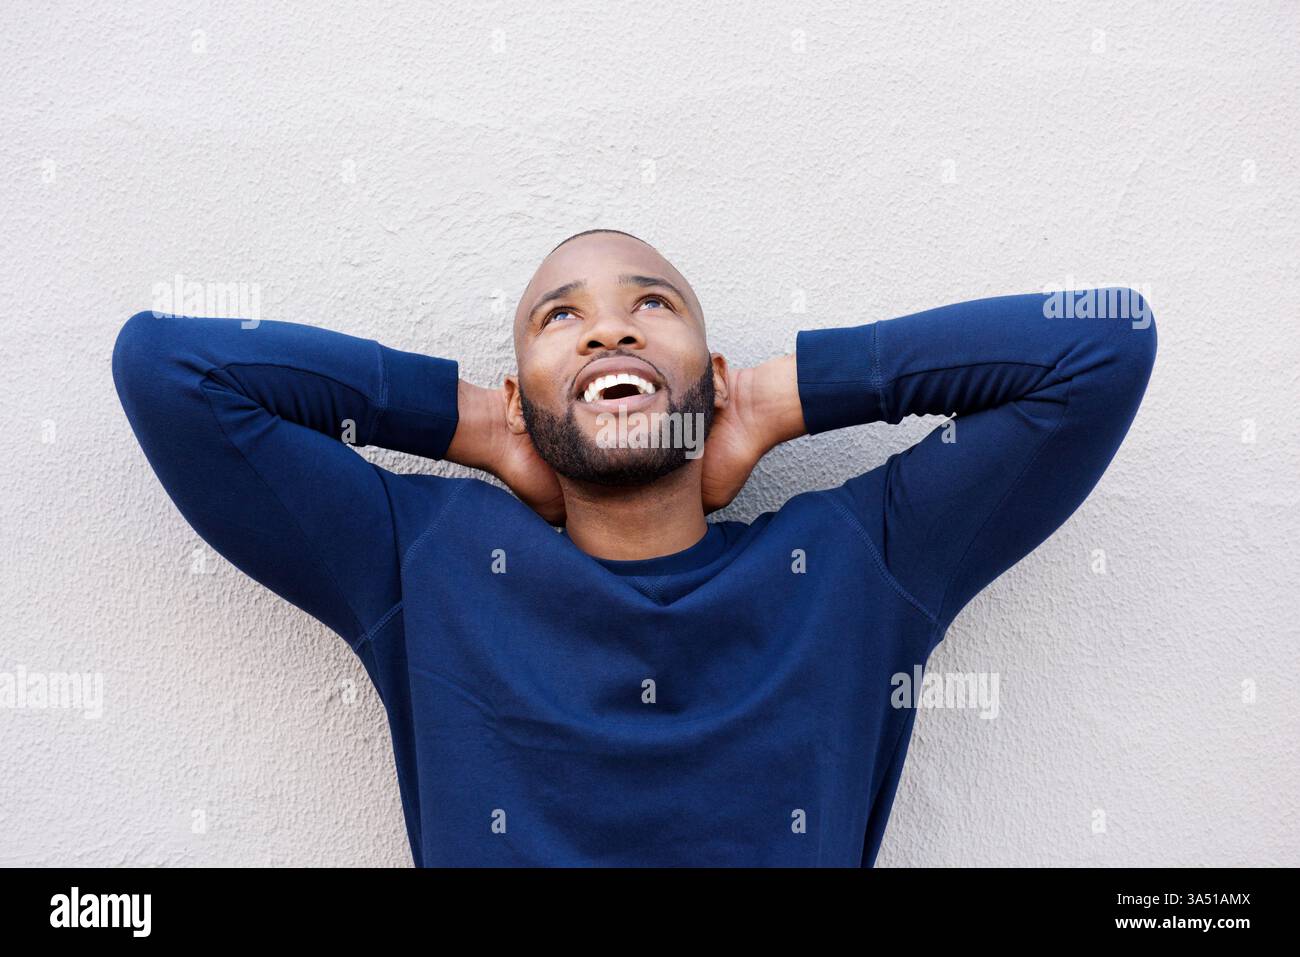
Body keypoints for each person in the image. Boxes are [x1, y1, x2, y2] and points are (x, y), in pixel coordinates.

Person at [111, 229, 1157, 866]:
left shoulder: (854, 565)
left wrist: (776, 399)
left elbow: (1103, 343)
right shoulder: (425, 560)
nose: (609, 332)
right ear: (522, 391)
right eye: (559, 319)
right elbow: (170, 367)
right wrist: (476, 426)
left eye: (652, 306)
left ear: (710, 369)